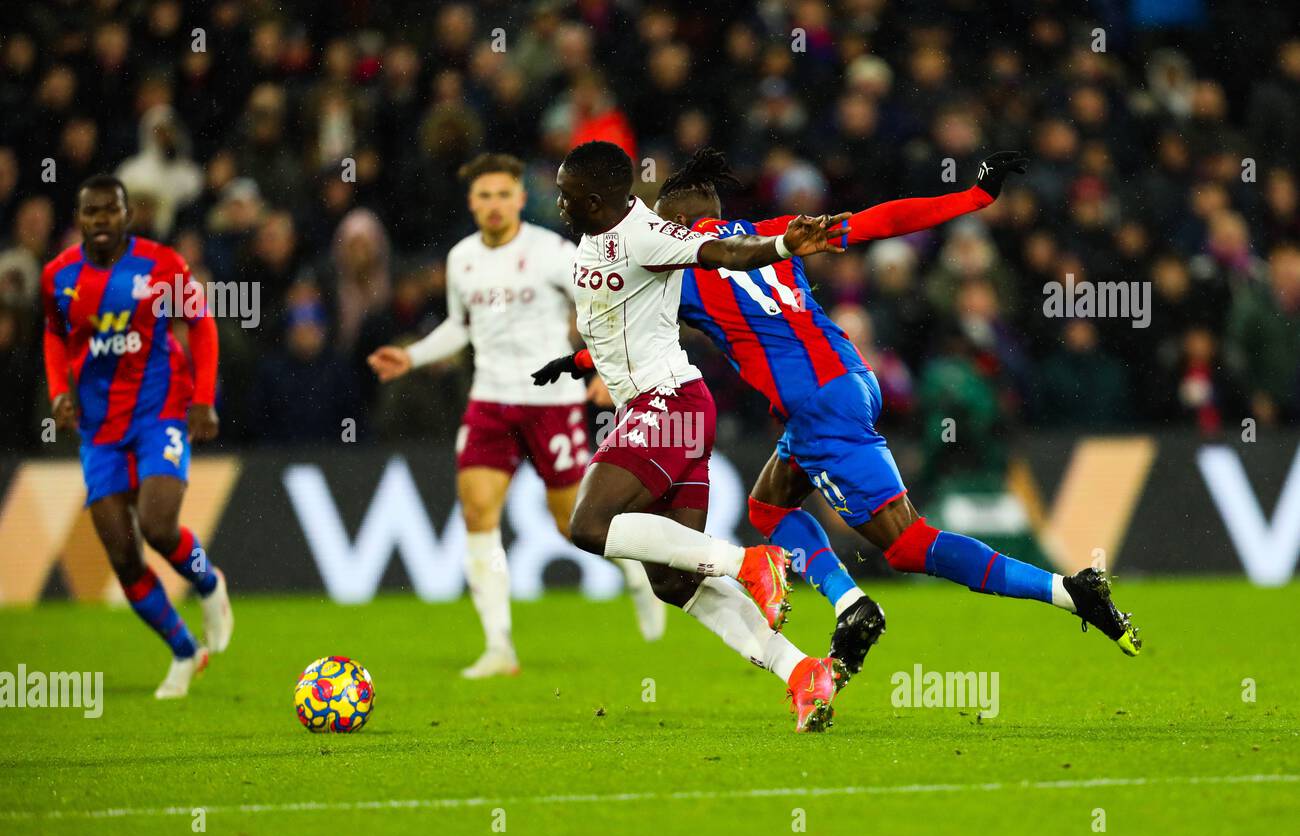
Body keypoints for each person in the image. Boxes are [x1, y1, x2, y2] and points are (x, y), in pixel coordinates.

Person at [651, 147, 1139, 682]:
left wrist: (585, 359)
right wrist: (973, 197)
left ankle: (1069, 592)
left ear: (676, 224)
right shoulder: (775, 232)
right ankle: (849, 605)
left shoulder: (679, 269)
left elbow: (635, 333)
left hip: (818, 405)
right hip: (852, 379)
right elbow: (877, 221)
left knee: (908, 544)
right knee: (769, 507)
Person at [533, 140, 851, 732]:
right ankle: (802, 672)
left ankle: (751, 562)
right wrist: (577, 362)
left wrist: (783, 244)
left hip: (670, 404)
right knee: (673, 579)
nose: (558, 202)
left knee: (588, 526)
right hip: (662, 408)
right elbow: (621, 320)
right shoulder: (597, 237)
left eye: (566, 195)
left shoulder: (645, 234)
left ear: (596, 199)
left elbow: (723, 252)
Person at [367, 153, 663, 679]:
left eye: (504, 194)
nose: (495, 205)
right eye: (484, 196)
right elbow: (461, 326)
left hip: (550, 404)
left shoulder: (553, 252)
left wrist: (602, 368)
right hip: (489, 403)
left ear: (521, 198)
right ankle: (499, 647)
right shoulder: (462, 259)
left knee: (573, 524)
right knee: (478, 514)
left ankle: (638, 572)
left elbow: (602, 310)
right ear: (471, 203)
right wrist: (411, 356)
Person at [42, 174, 233, 699]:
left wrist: (203, 398)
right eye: (91, 212)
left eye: (110, 210)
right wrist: (60, 390)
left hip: (160, 412)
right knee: (123, 556)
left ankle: (208, 582)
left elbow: (203, 324)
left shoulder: (163, 265)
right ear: (80, 219)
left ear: (128, 215)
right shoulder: (59, 276)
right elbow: (55, 337)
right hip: (99, 430)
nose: (101, 220)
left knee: (156, 524)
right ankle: (183, 650)